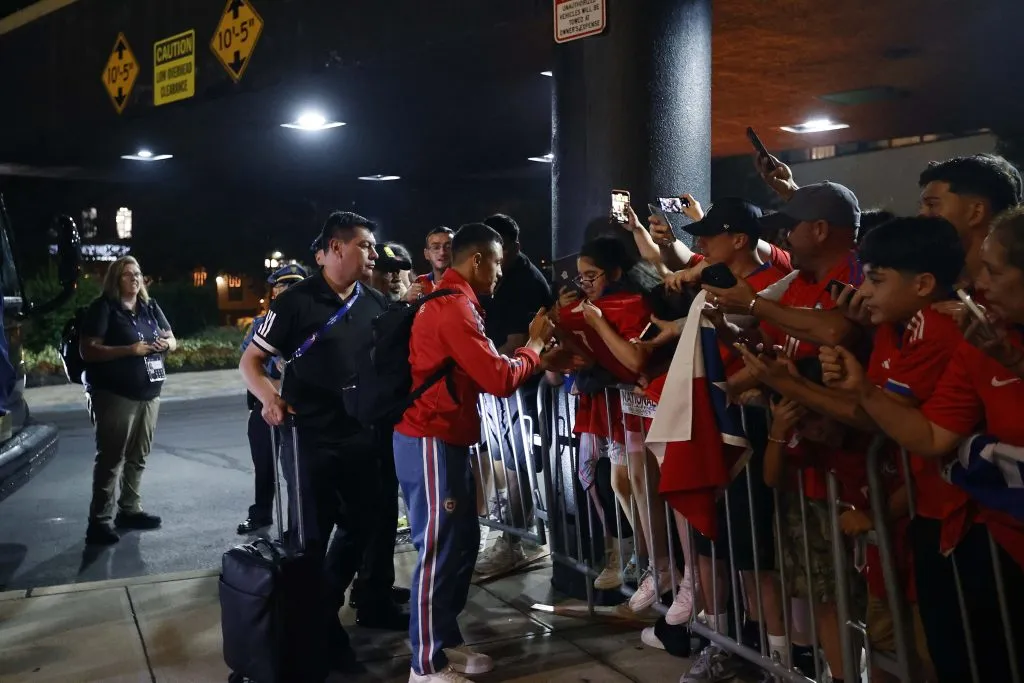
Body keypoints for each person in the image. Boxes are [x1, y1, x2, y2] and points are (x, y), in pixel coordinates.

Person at [823, 208, 1024, 683]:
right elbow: (933, 436)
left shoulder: (951, 330)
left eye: (994, 271)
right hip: (997, 544)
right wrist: (864, 391)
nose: (979, 284)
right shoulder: (982, 342)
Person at [394, 222, 554, 683]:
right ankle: (426, 664)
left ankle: (444, 641)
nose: (501, 272)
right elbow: (498, 379)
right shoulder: (453, 307)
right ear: (478, 260)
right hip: (430, 438)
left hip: (446, 438)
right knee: (438, 549)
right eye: (497, 263)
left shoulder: (455, 300)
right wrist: (534, 346)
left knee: (459, 543)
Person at [240, 210, 396, 673]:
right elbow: (251, 362)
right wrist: (270, 398)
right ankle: (320, 634)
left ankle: (319, 614)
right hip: (309, 438)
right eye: (364, 245)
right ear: (333, 249)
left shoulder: (375, 302)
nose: (373, 253)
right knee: (310, 539)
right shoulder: (295, 302)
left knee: (362, 527)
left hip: (361, 436)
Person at [474, 213, 553, 576]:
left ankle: (514, 541)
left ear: (514, 247)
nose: (492, 259)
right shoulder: (494, 279)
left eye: (498, 250)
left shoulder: (526, 282)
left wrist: (485, 369)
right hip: (500, 386)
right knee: (503, 459)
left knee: (520, 462)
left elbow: (518, 343)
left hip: (522, 389)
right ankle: (510, 530)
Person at [80, 255, 176, 546]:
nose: (134, 279)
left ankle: (129, 510)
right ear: (115, 279)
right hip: (114, 395)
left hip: (149, 394)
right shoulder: (103, 308)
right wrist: (129, 350)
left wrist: (165, 344)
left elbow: (172, 339)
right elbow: (88, 350)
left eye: (137, 274)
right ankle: (99, 522)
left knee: (139, 455)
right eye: (127, 274)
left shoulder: (149, 307)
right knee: (111, 458)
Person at [236, 263, 308, 535]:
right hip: (266, 402)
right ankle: (261, 514)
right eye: (283, 286)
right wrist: (274, 384)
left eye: (294, 285)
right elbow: (249, 364)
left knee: (297, 471)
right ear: (275, 291)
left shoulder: (312, 322)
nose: (288, 290)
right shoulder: (260, 324)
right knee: (264, 462)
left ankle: (296, 525)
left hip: (301, 406)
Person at [413, 226, 454, 296]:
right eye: (436, 247)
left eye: (448, 247)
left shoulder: (467, 282)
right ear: (426, 254)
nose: (442, 252)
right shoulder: (421, 281)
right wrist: (406, 298)